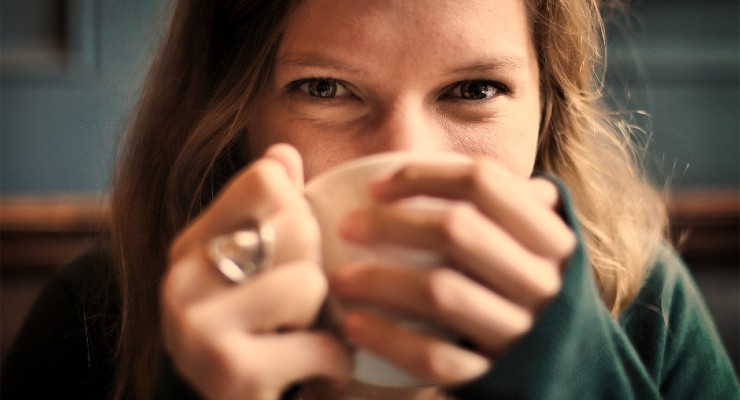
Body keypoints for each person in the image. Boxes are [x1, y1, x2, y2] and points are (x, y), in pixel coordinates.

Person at [2, 0, 738, 399]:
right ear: (236, 114)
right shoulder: (96, 315)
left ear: (549, 112)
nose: (401, 161)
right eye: (324, 89)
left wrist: (570, 377)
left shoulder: (645, 308)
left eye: (475, 91)